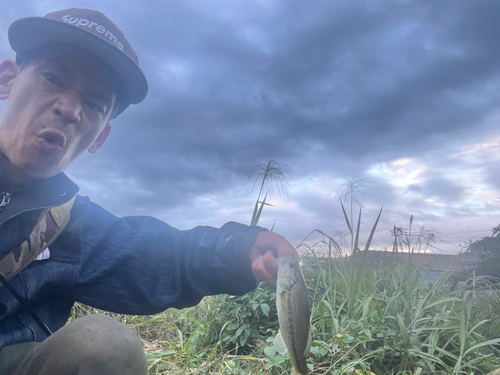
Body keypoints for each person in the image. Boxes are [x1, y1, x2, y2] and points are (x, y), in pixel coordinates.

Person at [0, 8, 298, 375]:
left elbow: (160, 255)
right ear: (6, 80)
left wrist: (241, 248)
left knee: (106, 347)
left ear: (100, 138)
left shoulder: (67, 223)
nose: (70, 108)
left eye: (95, 104)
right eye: (53, 77)